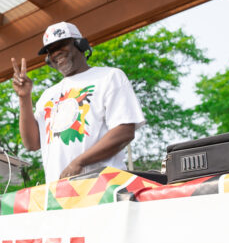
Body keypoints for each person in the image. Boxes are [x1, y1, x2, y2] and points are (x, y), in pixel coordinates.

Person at [11, 21, 144, 183]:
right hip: (58, 192)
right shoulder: (48, 95)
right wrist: (24, 98)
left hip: (102, 186)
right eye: (51, 50)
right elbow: (31, 143)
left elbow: (124, 131)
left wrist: (79, 162)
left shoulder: (109, 77)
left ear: (80, 45)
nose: (56, 53)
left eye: (62, 45)